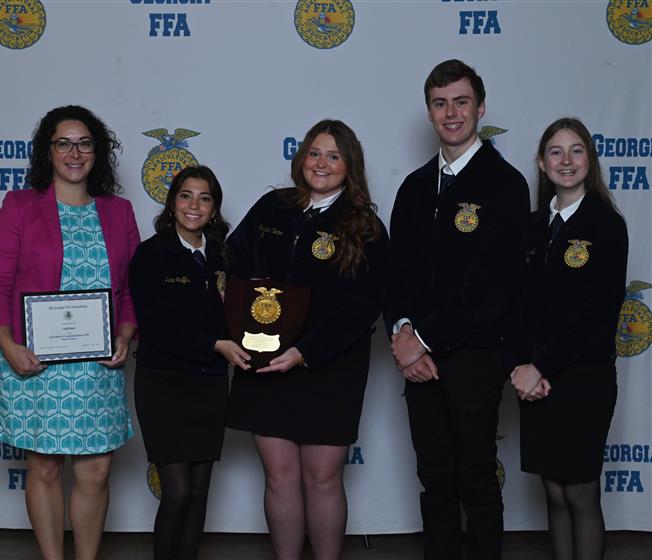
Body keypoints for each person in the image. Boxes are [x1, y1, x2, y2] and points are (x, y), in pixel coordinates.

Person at [383, 59, 530, 560]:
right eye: (440, 103)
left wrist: (422, 339)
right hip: (418, 364)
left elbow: (496, 285)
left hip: (475, 359)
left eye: (461, 102)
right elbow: (395, 275)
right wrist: (403, 332)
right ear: (429, 112)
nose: (451, 113)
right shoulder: (414, 187)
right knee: (435, 480)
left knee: (476, 480)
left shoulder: (505, 184)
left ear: (480, 108)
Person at [0, 105, 140, 559]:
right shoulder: (20, 207)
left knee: (96, 472)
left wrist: (125, 335)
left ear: (97, 151)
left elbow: (131, 290)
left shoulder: (119, 212)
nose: (75, 153)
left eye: (84, 143)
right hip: (36, 364)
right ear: (47, 151)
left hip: (96, 367)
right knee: (45, 470)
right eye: (64, 143)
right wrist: (8, 344)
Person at [226, 119, 389, 560]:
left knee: (322, 478)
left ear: (349, 165)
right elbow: (234, 261)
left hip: (328, 367)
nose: (322, 163)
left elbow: (363, 306)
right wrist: (235, 315)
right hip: (266, 361)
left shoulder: (365, 227)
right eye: (314, 153)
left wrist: (306, 351)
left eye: (334, 156)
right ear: (301, 159)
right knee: (279, 475)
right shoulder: (272, 207)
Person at [511, 118, 628, 560]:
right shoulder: (532, 225)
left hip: (584, 379)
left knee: (580, 492)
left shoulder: (606, 225)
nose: (566, 160)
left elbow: (595, 315)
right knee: (554, 492)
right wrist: (524, 366)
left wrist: (540, 365)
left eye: (576, 151)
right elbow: (518, 305)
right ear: (542, 163)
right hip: (536, 380)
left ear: (590, 161)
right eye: (555, 152)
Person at [129, 165, 250, 560]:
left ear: (214, 208)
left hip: (210, 384)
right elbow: (155, 327)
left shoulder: (222, 255)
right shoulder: (151, 254)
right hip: (163, 384)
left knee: (199, 493)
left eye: (204, 198)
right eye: (185, 195)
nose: (194, 205)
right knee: (177, 493)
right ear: (172, 203)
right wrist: (215, 344)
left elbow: (240, 315)